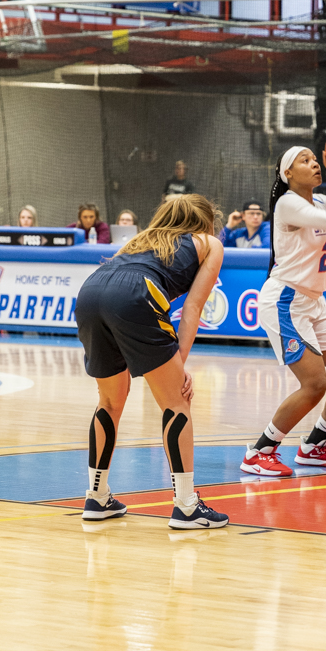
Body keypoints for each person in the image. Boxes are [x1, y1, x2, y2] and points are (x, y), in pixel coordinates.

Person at [75, 194, 228, 530]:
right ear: (205, 222)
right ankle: (187, 505)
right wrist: (180, 365)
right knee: (177, 400)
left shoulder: (138, 240)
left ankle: (96, 497)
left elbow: (115, 274)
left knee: (110, 400)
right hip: (135, 293)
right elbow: (192, 309)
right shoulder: (209, 243)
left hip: (90, 292)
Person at [241, 144, 326, 477]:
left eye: (315, 160)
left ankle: (316, 444)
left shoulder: (322, 201)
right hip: (284, 301)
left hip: (314, 301)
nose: (315, 164)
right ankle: (260, 450)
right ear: (288, 174)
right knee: (314, 384)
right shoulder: (287, 204)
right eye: (306, 161)